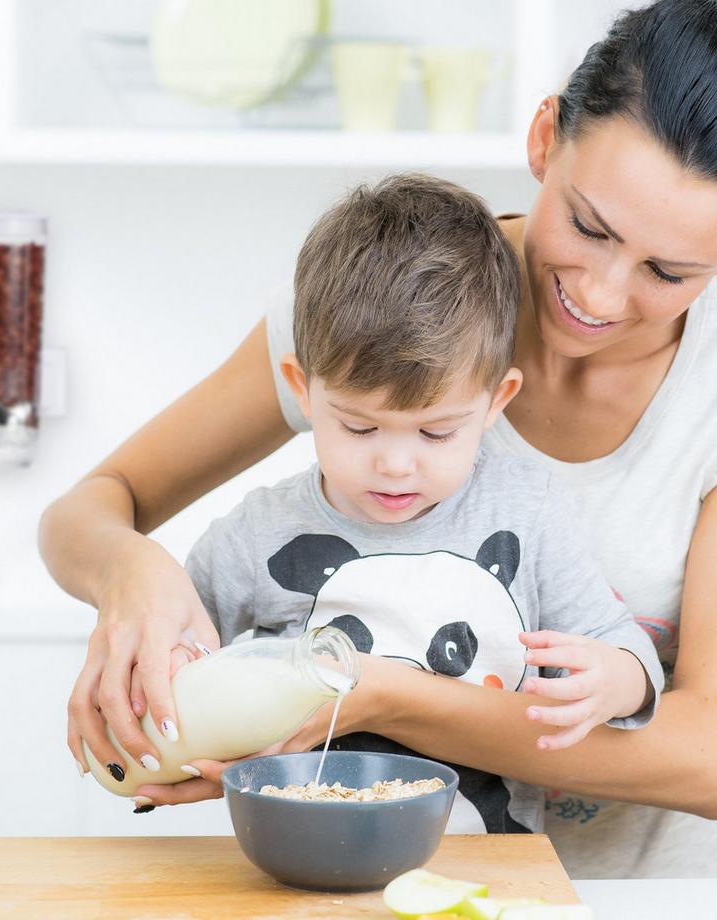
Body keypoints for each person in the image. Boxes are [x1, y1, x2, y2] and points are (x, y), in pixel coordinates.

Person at [40, 0, 717, 878]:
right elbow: (91, 509)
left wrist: (370, 698)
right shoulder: (376, 311)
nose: (603, 293)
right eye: (589, 225)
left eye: (671, 272)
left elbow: (707, 752)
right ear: (546, 137)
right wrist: (132, 575)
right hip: (361, 882)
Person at [181, 173, 664, 836]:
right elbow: (174, 647)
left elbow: (620, 643)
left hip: (488, 864)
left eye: (438, 432)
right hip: (299, 851)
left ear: (497, 402)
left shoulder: (527, 515)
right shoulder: (259, 535)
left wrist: (616, 678)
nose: (396, 463)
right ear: (301, 388)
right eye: (359, 427)